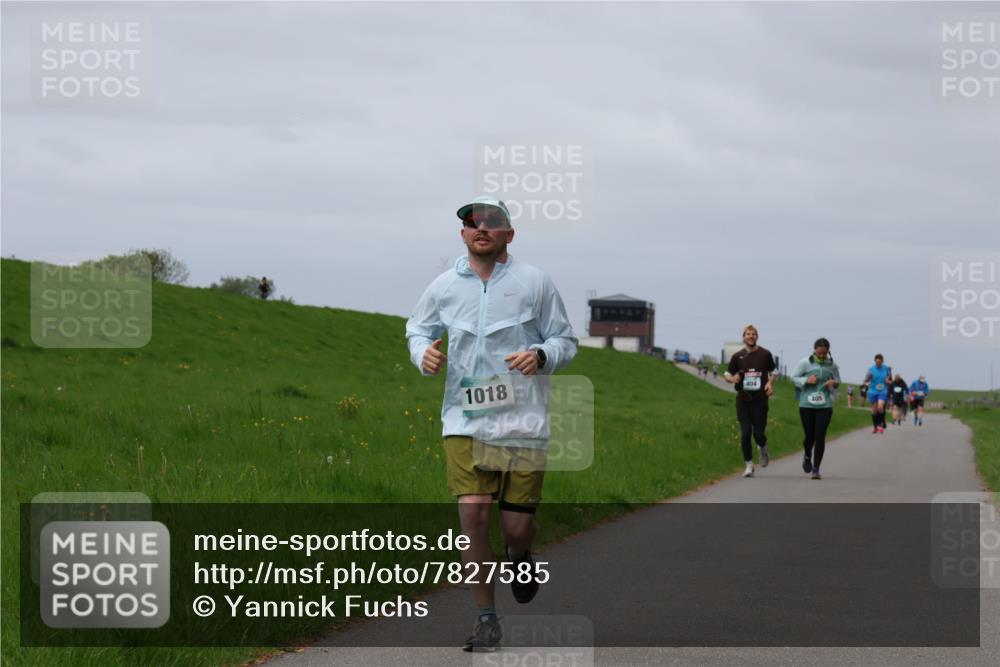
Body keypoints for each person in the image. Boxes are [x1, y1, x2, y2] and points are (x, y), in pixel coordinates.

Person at [406, 196, 578, 653]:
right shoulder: (443, 286)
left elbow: (565, 339)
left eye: (491, 221)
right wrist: (422, 353)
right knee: (474, 513)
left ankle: (519, 556)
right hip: (464, 417)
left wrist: (542, 354)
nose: (480, 226)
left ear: (509, 234)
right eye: (471, 221)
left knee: (516, 529)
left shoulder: (534, 283)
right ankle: (486, 618)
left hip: (523, 419)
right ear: (462, 234)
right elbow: (417, 328)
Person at [724, 325, 776, 477]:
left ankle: (763, 447)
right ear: (743, 337)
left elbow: (774, 371)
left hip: (760, 400)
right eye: (748, 334)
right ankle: (748, 465)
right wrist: (732, 378)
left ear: (757, 336)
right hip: (743, 400)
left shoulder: (765, 354)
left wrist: (769, 383)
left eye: (753, 334)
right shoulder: (737, 356)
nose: (751, 336)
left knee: (759, 435)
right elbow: (727, 374)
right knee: (745, 433)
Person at [792, 338, 840, 480]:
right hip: (806, 404)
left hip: (825, 405)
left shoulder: (832, 365)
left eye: (824, 353)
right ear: (814, 351)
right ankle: (807, 455)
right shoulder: (804, 363)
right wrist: (806, 380)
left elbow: (838, 380)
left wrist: (834, 382)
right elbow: (793, 377)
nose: (821, 356)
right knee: (809, 436)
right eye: (819, 353)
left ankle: (816, 468)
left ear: (828, 352)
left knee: (820, 436)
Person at [863, 354, 892, 434]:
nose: (878, 363)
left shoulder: (886, 369)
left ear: (882, 361)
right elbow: (866, 380)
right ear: (875, 361)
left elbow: (890, 380)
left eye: (880, 362)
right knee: (874, 410)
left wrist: (888, 381)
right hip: (873, 391)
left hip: (883, 391)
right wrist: (866, 382)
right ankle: (875, 427)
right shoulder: (871, 369)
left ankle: (881, 423)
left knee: (880, 406)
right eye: (877, 362)